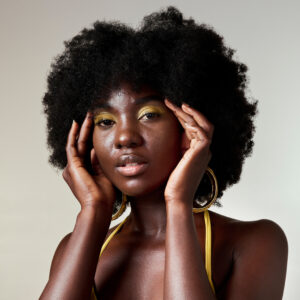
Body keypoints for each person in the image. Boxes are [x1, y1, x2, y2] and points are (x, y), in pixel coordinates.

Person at [39, 6, 288, 300]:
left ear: (189, 127)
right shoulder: (76, 247)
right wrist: (93, 211)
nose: (124, 138)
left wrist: (179, 204)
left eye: (149, 115)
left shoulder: (254, 242)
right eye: (106, 122)